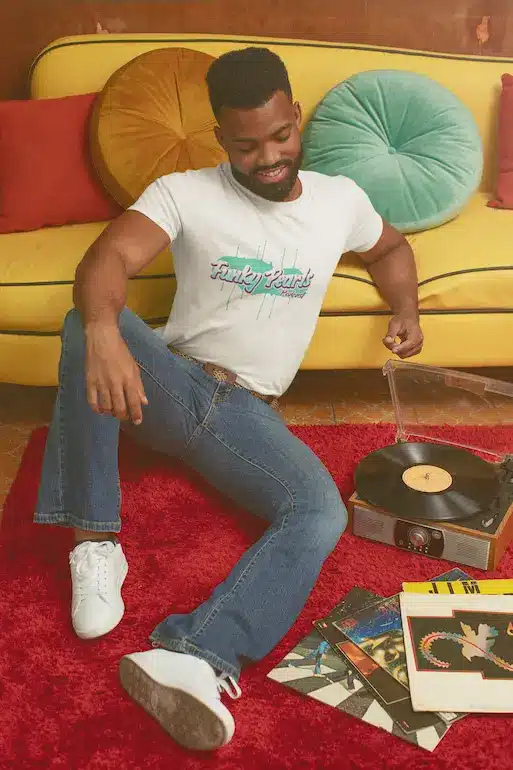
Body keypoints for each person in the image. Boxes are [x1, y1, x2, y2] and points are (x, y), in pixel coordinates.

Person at [34, 47, 423, 751]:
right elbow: (108, 259)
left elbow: (390, 249)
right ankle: (95, 541)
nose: (269, 157)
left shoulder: (340, 200)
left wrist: (407, 310)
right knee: (87, 322)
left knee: (319, 509)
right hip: (167, 388)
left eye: (280, 137)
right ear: (221, 139)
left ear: (295, 117)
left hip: (245, 416)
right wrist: (101, 329)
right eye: (246, 146)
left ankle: (192, 655)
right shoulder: (183, 190)